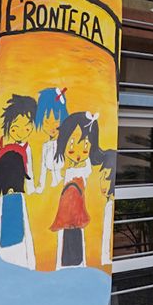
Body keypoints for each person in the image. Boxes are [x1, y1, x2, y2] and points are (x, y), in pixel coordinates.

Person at [0, 94, 37, 268]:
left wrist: (32, 188)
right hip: (4, 192)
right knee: (3, 225)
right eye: (16, 127)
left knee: (19, 228)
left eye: (27, 128)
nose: (21, 132)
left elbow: (29, 171)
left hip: (18, 192)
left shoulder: (27, 148)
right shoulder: (2, 143)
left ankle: (23, 261)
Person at [50, 110, 99, 269]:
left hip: (77, 209)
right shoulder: (63, 166)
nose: (78, 155)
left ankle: (76, 262)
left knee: (76, 238)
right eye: (71, 148)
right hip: (66, 209)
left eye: (85, 149)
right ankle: (67, 263)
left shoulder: (86, 168)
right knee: (66, 239)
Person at [29, 87, 69, 194]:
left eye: (56, 120)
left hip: (64, 186)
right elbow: (43, 170)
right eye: (46, 122)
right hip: (51, 189)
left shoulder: (66, 143)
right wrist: (40, 188)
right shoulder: (46, 145)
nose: (52, 127)